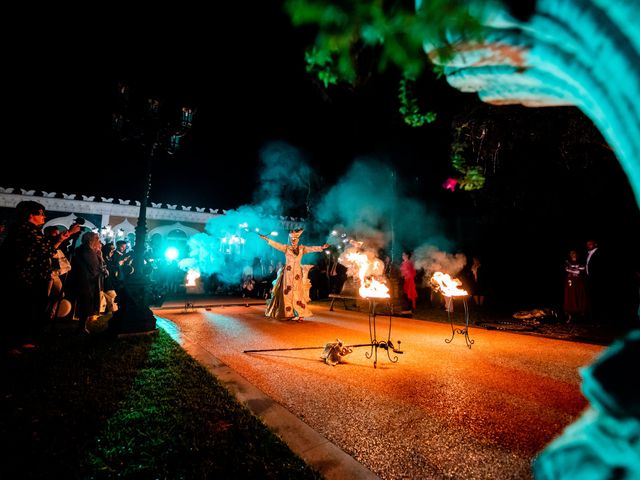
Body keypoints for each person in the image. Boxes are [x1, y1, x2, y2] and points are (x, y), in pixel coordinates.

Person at [0, 201, 80, 354]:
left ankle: (23, 340)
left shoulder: (30, 230)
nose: (44, 216)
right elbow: (45, 250)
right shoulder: (25, 230)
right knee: (19, 310)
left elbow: (46, 248)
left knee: (29, 309)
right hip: (24, 277)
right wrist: (66, 236)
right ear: (31, 215)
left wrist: (64, 237)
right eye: (41, 213)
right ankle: (12, 344)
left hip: (32, 277)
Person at [259, 228, 328, 322]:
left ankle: (301, 314)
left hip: (297, 275)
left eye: (295, 239)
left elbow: (312, 248)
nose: (293, 241)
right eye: (292, 239)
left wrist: (321, 247)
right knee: (287, 293)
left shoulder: (302, 249)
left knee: (298, 293)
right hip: (287, 275)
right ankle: (288, 313)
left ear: (298, 240)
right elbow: (276, 245)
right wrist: (267, 239)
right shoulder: (286, 248)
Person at [562, 249, 589, 323]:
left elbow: (582, 269)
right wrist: (575, 269)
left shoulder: (581, 261)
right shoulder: (567, 261)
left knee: (579, 295)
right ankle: (570, 315)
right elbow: (567, 269)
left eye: (574, 253)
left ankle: (581, 315)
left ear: (576, 254)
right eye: (571, 253)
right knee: (570, 297)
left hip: (578, 281)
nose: (572, 254)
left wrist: (573, 269)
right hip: (570, 280)